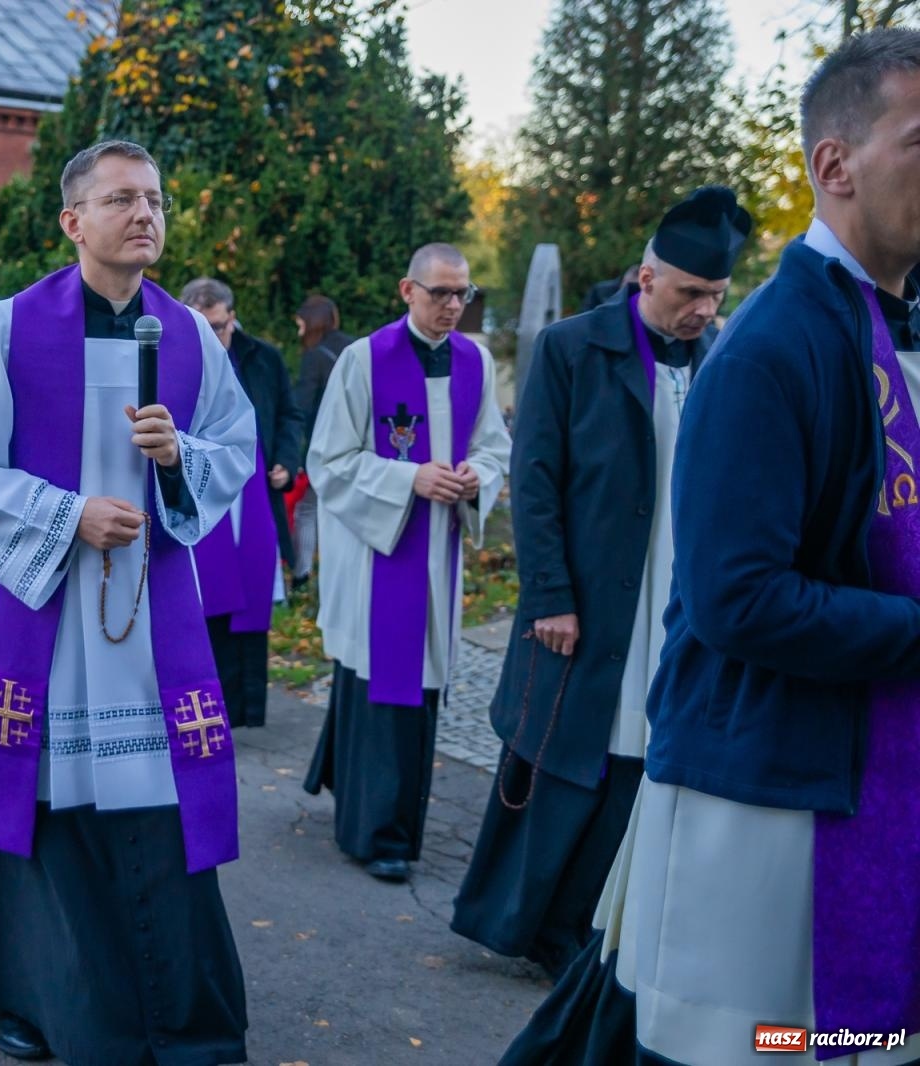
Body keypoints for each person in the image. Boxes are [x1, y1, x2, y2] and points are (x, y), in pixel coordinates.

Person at [503, 29, 920, 1065]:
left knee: (863, 1038)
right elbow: (738, 598)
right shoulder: (777, 343)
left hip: (867, 760)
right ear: (835, 167)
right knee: (762, 1045)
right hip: (765, 789)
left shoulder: (888, 328)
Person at [0, 141, 256, 1065]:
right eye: (121, 199)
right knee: (45, 811)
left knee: (152, 809)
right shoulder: (12, 326)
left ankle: (175, 1016)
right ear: (74, 221)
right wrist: (68, 515)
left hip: (151, 620)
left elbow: (233, 448)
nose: (145, 214)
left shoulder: (188, 336)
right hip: (45, 613)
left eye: (153, 198)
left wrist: (178, 461)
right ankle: (39, 1004)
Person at [452, 187, 751, 977]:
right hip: (590, 598)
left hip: (679, 601)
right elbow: (537, 477)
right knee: (569, 755)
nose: (703, 311)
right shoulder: (572, 348)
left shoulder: (724, 358)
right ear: (647, 277)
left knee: (641, 761)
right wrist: (549, 595)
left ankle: (600, 933)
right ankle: (530, 927)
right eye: (690, 293)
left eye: (716, 298)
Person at [302, 243, 511, 885]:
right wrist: (406, 480)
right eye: (440, 293)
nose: (453, 306)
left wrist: (477, 475)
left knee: (416, 689)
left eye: (463, 294)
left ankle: (362, 798)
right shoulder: (365, 360)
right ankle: (377, 834)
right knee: (381, 685)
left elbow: (494, 447)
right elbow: (329, 462)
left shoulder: (475, 361)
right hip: (378, 552)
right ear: (406, 291)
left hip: (438, 551)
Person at [180, 277, 303, 728]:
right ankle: (201, 712)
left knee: (249, 600)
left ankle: (242, 710)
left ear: (233, 317)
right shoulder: (176, 358)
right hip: (200, 497)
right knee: (202, 604)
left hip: (253, 496)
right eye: (203, 328)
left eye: (220, 327)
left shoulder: (263, 357)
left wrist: (288, 462)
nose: (214, 337)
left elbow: (289, 415)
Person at [289, 295, 353, 586]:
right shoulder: (354, 347)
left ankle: (303, 574)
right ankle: (345, 573)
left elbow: (301, 406)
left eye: (301, 323)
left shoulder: (314, 357)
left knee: (308, 510)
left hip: (325, 446)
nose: (299, 330)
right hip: (356, 446)